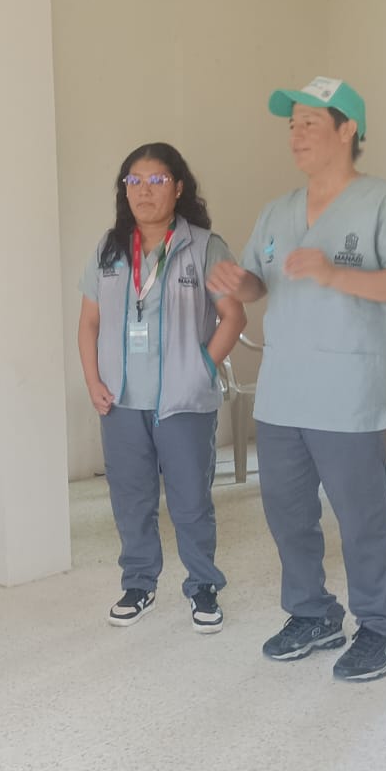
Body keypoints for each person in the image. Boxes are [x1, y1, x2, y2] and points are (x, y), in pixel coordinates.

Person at [209, 77, 386, 681]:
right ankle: (312, 613)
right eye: (292, 125)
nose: (296, 135)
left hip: (347, 390)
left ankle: (384, 628)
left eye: (310, 123)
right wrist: (237, 282)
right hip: (283, 390)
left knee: (361, 519)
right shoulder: (277, 210)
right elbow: (258, 282)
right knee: (287, 514)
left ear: (347, 129)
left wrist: (335, 275)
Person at [77, 143, 246, 634]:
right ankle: (138, 584)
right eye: (134, 181)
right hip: (121, 400)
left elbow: (234, 316)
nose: (144, 191)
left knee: (191, 500)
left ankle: (203, 586)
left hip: (182, 401)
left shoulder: (206, 247)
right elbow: (88, 323)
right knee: (131, 500)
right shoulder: (109, 249)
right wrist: (92, 381)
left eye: (156, 181)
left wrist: (202, 367)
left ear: (178, 187)